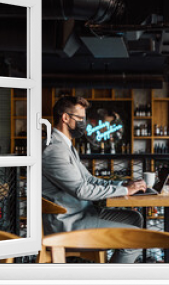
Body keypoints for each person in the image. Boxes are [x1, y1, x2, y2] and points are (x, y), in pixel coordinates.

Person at [42, 96, 147, 263]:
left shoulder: (66, 146)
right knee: (136, 239)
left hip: (82, 212)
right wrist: (125, 191)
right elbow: (81, 190)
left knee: (134, 219)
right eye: (80, 118)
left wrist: (123, 185)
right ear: (65, 118)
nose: (84, 123)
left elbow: (89, 180)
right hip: (68, 223)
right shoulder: (55, 150)